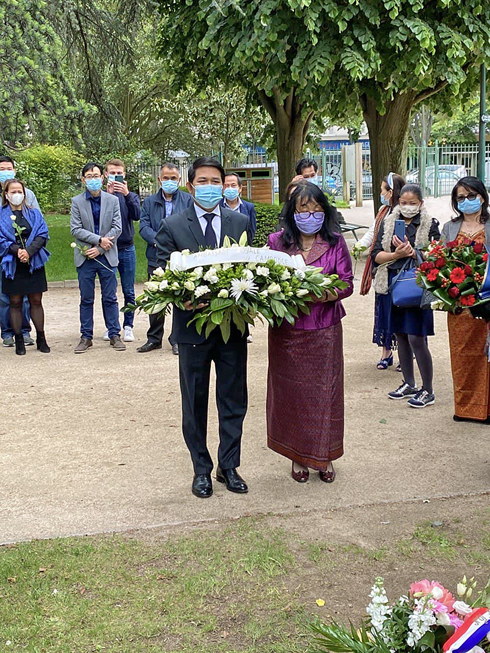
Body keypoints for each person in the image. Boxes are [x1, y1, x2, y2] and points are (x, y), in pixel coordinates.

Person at [155, 157, 252, 499]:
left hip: (232, 328)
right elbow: (161, 271)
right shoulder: (173, 225)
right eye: (204, 181)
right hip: (192, 329)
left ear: (224, 184)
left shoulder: (240, 222)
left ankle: (229, 465)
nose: (211, 186)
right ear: (191, 185)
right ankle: (201, 470)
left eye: (217, 181)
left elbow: (250, 270)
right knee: (194, 401)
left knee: (233, 398)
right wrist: (180, 298)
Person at [266, 183, 353, 483]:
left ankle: (324, 456)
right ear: (292, 211)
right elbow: (265, 282)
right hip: (287, 333)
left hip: (324, 331)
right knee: (292, 394)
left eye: (315, 207)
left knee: (324, 393)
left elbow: (346, 283)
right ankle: (297, 455)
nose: (310, 213)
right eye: (303, 207)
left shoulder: (335, 242)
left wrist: (316, 293)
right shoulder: (276, 242)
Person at [372, 184, 440, 408]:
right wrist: (395, 254)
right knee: (400, 334)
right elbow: (375, 256)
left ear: (421, 203)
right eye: (403, 202)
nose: (407, 207)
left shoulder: (430, 225)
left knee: (416, 338)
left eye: (412, 203)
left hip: (417, 286)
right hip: (394, 286)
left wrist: (414, 252)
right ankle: (409, 383)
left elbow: (438, 257)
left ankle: (427, 389)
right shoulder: (389, 223)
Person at [442, 176, 490, 423]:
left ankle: (486, 409)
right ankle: (464, 409)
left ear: (482, 196)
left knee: (486, 354)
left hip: (487, 302)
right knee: (461, 354)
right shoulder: (449, 228)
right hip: (458, 304)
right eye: (461, 197)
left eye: (471, 196)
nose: (467, 201)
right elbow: (439, 261)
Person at [138, 162, 193, 355]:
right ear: (159, 180)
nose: (169, 181)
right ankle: (154, 339)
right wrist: (160, 242)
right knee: (156, 299)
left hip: (181, 259)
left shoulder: (187, 200)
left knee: (180, 299)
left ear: (179, 180)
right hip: (156, 257)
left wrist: (174, 243)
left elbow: (189, 225)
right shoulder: (149, 202)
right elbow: (143, 226)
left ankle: (177, 339)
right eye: (165, 178)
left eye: (173, 178)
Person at [70, 162, 125, 353]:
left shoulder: (113, 200)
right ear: (83, 179)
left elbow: (117, 227)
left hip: (106, 256)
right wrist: (98, 240)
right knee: (86, 298)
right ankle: (86, 336)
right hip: (85, 257)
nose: (93, 179)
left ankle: (114, 334)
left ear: (102, 178)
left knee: (110, 297)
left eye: (96, 175)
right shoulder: (76, 201)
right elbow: (75, 229)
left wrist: (100, 248)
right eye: (89, 176)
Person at [356, 172, 406, 370]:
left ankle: (405, 355)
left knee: (402, 310)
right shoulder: (383, 211)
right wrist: (359, 246)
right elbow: (372, 232)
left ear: (391, 192)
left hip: (401, 270)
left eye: (383, 189)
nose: (380, 192)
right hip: (383, 268)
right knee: (384, 310)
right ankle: (386, 352)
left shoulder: (405, 211)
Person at [0, 178, 50, 355]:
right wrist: (17, 251)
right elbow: (1, 239)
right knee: (15, 302)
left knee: (36, 301)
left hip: (33, 262)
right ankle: (19, 339)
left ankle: (41, 338)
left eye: (19, 191)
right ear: (6, 194)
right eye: (12, 192)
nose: (16, 195)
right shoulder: (1, 215)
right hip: (12, 264)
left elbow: (42, 234)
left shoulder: (34, 213)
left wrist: (28, 251)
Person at [0, 155, 40, 347]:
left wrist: (27, 251)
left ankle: (24, 331)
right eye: (2, 168)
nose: (5, 171)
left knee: (26, 298)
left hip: (26, 255)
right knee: (5, 297)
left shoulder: (28, 194)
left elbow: (37, 223)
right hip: (5, 253)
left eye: (8, 168)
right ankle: (7, 332)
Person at [103, 158, 141, 343]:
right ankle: (111, 326)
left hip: (126, 248)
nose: (115, 176)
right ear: (105, 175)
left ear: (124, 175)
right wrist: (108, 196)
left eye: (119, 173)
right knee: (108, 290)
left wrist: (126, 195)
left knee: (128, 290)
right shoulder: (101, 196)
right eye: (112, 173)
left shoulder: (131, 195)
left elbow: (137, 215)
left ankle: (128, 326)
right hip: (108, 248)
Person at [220, 172, 257, 237]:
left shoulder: (249, 207)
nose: (230, 188)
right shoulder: (217, 206)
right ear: (222, 189)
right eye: (226, 186)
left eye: (233, 185)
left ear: (240, 188)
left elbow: (251, 230)